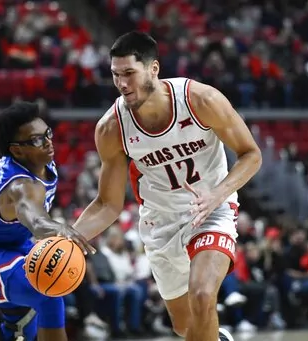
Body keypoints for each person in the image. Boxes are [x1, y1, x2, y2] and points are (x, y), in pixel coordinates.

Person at [73, 31, 262, 341]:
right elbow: (108, 204)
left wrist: (219, 193)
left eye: (129, 74)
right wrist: (72, 238)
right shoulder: (111, 128)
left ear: (154, 69)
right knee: (187, 328)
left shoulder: (200, 99)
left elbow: (251, 154)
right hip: (160, 222)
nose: (122, 83)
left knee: (203, 297)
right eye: (115, 75)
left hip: (210, 210)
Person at [0, 101, 95, 341]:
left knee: (17, 332)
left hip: (15, 244)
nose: (48, 142)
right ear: (17, 150)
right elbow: (33, 217)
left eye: (47, 134)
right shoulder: (21, 186)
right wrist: (57, 228)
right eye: (36, 140)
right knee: (50, 290)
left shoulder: (36, 160)